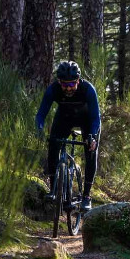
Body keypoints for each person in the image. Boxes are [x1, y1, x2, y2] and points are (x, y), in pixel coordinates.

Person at [35, 61, 101, 211]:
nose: (68, 89)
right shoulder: (53, 90)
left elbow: (96, 118)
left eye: (72, 84)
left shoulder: (88, 89)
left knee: (91, 150)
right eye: (64, 85)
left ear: (78, 81)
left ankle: (86, 196)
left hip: (87, 120)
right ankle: (53, 189)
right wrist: (39, 129)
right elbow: (40, 114)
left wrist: (92, 136)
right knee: (53, 145)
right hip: (64, 117)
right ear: (59, 82)